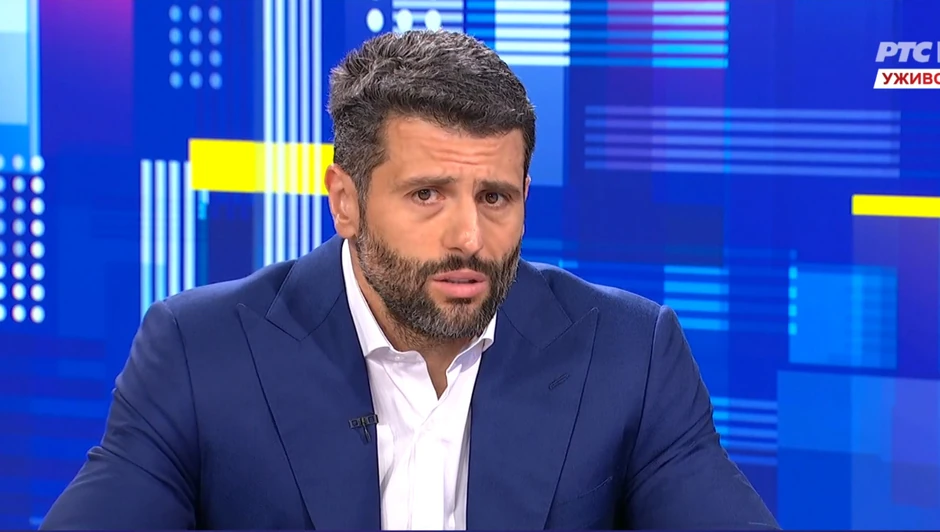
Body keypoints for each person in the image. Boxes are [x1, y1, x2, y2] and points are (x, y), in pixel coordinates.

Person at [41, 30, 779, 530]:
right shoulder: (200, 351)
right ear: (346, 201)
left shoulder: (629, 353)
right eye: (427, 194)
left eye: (495, 198)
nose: (469, 238)